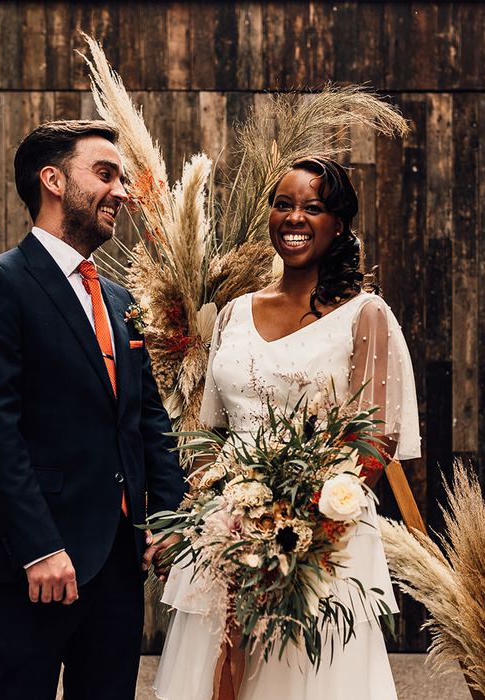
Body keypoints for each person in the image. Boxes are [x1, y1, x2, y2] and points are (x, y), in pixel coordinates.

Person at [153, 157, 421, 700]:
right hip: (228, 533)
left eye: (312, 207)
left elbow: (373, 441)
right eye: (283, 204)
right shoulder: (233, 313)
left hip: (322, 536)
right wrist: (207, 518)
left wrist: (297, 516)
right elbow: (212, 435)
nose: (294, 217)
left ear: (339, 224)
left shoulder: (365, 315)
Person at [0, 119, 185, 700]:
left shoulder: (119, 298)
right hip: (37, 558)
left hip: (118, 558)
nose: (122, 192)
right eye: (105, 175)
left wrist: (172, 514)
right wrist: (39, 548)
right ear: (53, 180)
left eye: (122, 178)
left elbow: (147, 417)